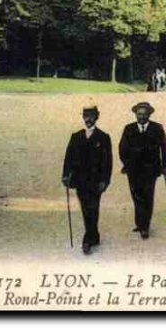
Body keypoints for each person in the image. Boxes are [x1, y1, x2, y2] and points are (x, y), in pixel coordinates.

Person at [62, 102, 112, 254]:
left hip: (96, 182)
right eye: (86, 116)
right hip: (80, 180)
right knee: (85, 208)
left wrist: (105, 180)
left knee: (94, 208)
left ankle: (88, 238)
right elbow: (68, 158)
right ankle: (93, 235)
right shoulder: (76, 136)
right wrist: (65, 175)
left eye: (91, 116)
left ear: (97, 117)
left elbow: (108, 161)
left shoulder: (103, 137)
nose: (88, 119)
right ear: (83, 117)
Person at [119, 102, 166, 239]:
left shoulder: (157, 128)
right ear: (135, 114)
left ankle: (144, 226)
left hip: (151, 169)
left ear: (149, 114)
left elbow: (164, 147)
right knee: (136, 196)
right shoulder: (128, 129)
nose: (141, 117)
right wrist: (127, 163)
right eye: (139, 114)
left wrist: (165, 166)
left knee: (147, 196)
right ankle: (140, 223)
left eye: (144, 114)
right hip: (133, 170)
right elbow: (122, 149)